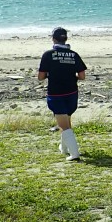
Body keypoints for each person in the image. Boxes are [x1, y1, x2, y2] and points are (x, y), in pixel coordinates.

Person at [37, 27, 87, 160]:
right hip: (71, 93)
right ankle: (64, 148)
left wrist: (51, 74)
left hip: (56, 94)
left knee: (63, 125)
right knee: (66, 121)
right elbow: (82, 76)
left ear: (53, 38)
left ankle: (75, 154)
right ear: (66, 39)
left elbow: (41, 77)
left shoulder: (48, 54)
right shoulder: (74, 54)